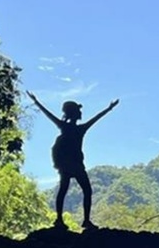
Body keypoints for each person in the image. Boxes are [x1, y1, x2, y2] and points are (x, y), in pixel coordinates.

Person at [27, 92, 119, 229]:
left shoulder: (66, 127)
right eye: (78, 110)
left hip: (67, 165)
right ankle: (83, 221)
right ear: (74, 113)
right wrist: (109, 108)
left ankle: (60, 220)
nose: (80, 113)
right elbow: (96, 118)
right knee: (85, 190)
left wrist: (36, 101)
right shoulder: (79, 129)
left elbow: (49, 114)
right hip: (75, 165)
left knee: (65, 190)